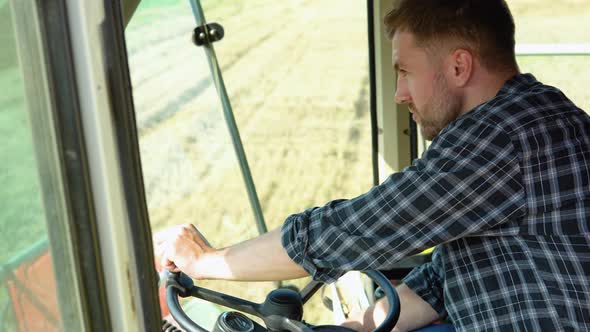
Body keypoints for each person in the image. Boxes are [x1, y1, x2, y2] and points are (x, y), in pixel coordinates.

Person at [154, 1, 590, 331]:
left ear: (459, 66)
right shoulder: (525, 118)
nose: (399, 93)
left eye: (405, 71)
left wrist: (207, 262)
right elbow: (444, 279)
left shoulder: (501, 135)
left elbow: (357, 229)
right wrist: (357, 326)